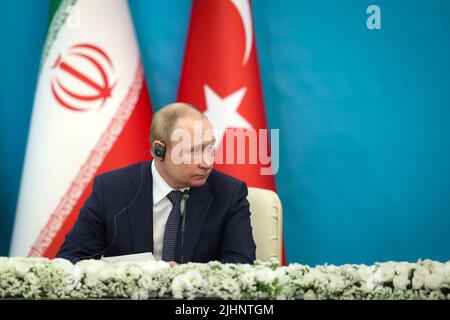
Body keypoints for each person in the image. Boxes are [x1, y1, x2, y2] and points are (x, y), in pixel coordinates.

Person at [57, 102, 256, 265]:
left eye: (210, 147)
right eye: (194, 151)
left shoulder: (229, 193)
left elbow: (240, 263)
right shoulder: (111, 189)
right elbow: (71, 260)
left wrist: (189, 278)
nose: (207, 162)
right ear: (159, 150)